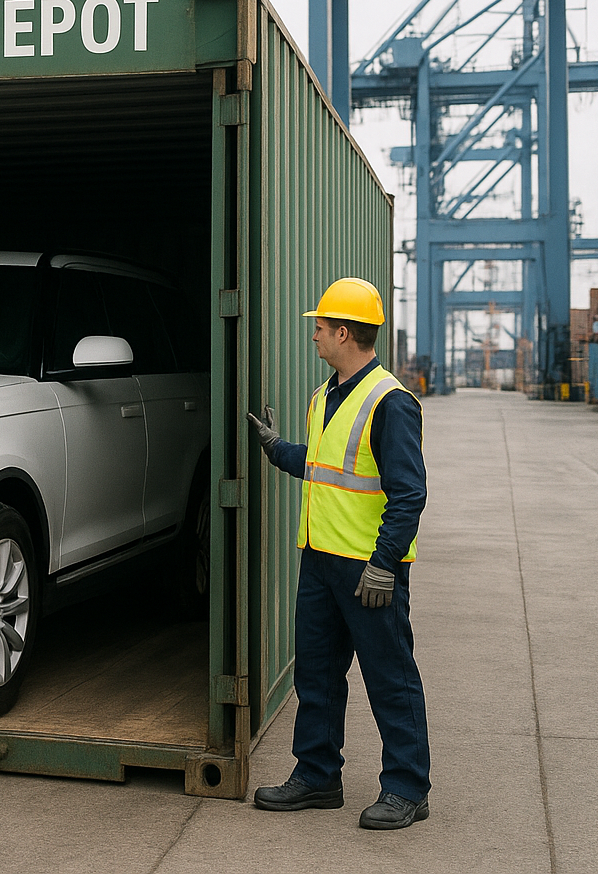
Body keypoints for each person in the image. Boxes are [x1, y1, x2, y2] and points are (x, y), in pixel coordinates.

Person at [247, 277, 430, 830]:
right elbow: (327, 467)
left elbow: (409, 493)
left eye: (321, 327)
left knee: (390, 679)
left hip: (368, 568)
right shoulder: (324, 395)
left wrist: (384, 564)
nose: (315, 335)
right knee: (318, 677)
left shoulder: (390, 402)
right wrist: (278, 450)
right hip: (320, 562)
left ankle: (407, 788)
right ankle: (317, 775)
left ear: (344, 333)